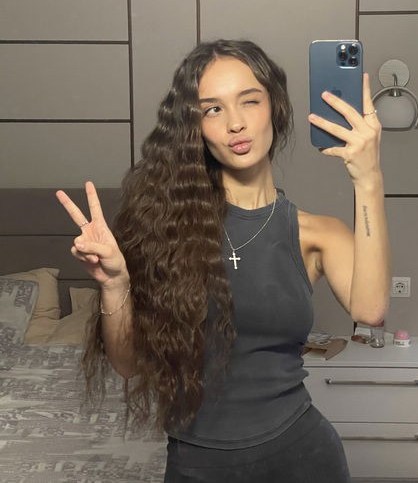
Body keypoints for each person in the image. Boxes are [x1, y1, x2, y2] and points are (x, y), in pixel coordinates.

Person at [56, 38, 391, 482]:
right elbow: (128, 363)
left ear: (275, 108)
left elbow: (371, 309)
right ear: (194, 127)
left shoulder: (317, 233)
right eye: (212, 109)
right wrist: (114, 284)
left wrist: (368, 177)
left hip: (304, 457)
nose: (235, 123)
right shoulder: (165, 229)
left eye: (249, 101)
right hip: (197, 464)